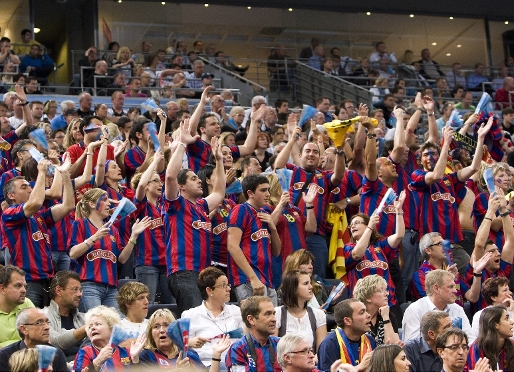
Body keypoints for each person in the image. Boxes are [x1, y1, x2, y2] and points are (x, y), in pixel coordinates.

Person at [163, 120, 226, 315]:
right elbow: (170, 177)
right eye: (193, 178)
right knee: (195, 320)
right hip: (183, 272)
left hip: (203, 273)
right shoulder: (175, 204)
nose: (199, 180)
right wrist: (182, 143)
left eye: (198, 178)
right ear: (181, 186)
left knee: (207, 319)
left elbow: (219, 192)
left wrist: (219, 161)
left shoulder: (201, 205)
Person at [274, 124, 347, 278]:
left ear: (320, 157)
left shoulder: (324, 176)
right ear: (300, 156)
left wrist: (340, 151)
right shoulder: (292, 171)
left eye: (315, 152)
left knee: (317, 278)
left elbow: (339, 175)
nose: (311, 154)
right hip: (292, 231)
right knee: (290, 275)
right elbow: (278, 166)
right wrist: (292, 140)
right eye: (307, 151)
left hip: (317, 236)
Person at [2, 157, 74, 308]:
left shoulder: (40, 216)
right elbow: (35, 202)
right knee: (30, 325)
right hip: (27, 282)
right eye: (24, 187)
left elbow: (68, 206)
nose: (30, 189)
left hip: (48, 280)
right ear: (11, 195)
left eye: (29, 186)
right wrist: (41, 172)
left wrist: (65, 175)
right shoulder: (9, 213)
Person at [68, 188, 151, 312]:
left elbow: (122, 259)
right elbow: (73, 253)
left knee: (115, 326)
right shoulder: (80, 224)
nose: (108, 204)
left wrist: (133, 236)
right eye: (105, 200)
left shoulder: (113, 230)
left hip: (111, 287)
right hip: (89, 285)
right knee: (97, 323)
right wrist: (95, 237)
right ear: (91, 204)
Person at [343, 192, 405, 308]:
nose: (353, 226)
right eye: (351, 225)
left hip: (388, 303)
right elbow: (356, 254)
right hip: (361, 305)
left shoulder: (380, 245)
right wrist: (370, 227)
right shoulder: (349, 247)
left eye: (357, 223)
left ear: (367, 225)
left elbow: (399, 235)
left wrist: (399, 211)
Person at [227, 174, 281, 304]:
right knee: (256, 321)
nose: (268, 194)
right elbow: (232, 246)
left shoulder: (265, 213)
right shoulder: (240, 210)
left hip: (267, 279)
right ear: (250, 193)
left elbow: (276, 252)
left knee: (270, 322)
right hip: (248, 279)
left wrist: (273, 229)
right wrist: (253, 278)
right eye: (263, 190)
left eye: (268, 189)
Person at [181, 266, 244, 367]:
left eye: (228, 285)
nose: (228, 289)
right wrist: (189, 342)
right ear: (209, 291)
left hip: (234, 364)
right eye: (223, 285)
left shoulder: (236, 311)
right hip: (204, 365)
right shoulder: (190, 315)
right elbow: (179, 347)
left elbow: (245, 340)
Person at [131, 151, 173, 304]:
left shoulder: (164, 205)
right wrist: (154, 162)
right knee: (145, 305)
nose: (160, 184)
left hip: (167, 262)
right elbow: (140, 184)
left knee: (171, 305)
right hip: (147, 264)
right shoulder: (140, 206)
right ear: (147, 185)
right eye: (155, 181)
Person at [402, 270, 473, 342]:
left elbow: (470, 340)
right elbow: (412, 346)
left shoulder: (457, 309)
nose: (455, 291)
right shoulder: (415, 310)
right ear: (436, 288)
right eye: (451, 287)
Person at [73, 305, 146, 371]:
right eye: (90, 326)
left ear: (111, 328)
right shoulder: (85, 352)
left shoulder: (126, 352)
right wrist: (97, 361)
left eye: (98, 324)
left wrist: (135, 359)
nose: (93, 328)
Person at [274, 270, 327, 353]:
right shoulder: (276, 313)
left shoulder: (318, 314)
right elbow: (274, 350)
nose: (311, 287)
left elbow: (321, 352)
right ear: (293, 288)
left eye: (310, 283)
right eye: (306, 284)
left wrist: (312, 360)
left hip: (311, 363)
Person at [0, 307, 68, 372]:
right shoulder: (5, 355)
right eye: (38, 323)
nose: (47, 327)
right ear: (24, 329)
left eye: (47, 322)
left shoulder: (56, 354)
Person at [225, 296, 281, 372]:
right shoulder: (238, 348)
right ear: (251, 319)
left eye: (274, 314)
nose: (274, 319)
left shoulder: (281, 344)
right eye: (268, 314)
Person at [317, 299, 375, 372]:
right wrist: (358, 368)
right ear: (347, 321)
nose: (368, 315)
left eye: (366, 311)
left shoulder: (370, 340)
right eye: (362, 313)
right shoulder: (330, 344)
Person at [43, 270, 87, 362]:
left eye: (80, 290)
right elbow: (54, 342)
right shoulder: (43, 316)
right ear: (59, 291)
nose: (80, 294)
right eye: (75, 289)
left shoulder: (83, 318)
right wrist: (88, 328)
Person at [353, 275, 400, 346]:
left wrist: (386, 318)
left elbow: (394, 347)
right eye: (381, 291)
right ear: (368, 297)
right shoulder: (358, 318)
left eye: (385, 290)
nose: (387, 294)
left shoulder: (388, 316)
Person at [468, 305, 514, 370]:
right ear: (495, 324)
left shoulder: (512, 345)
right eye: (506, 319)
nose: (512, 322)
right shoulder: (477, 347)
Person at [470, 277, 514, 343]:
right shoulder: (480, 315)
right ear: (493, 297)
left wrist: (512, 312)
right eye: (505, 290)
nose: (510, 293)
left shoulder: (512, 310)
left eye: (509, 290)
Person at [0, 265, 34, 347]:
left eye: (24, 286)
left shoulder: (26, 303)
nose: (24, 290)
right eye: (18, 286)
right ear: (2, 289)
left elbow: (39, 335)